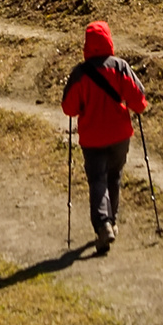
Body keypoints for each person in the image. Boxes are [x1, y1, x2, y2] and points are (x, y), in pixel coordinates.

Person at [59, 19, 148, 254]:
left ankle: (103, 225)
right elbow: (138, 100)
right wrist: (136, 106)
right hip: (120, 135)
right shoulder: (120, 67)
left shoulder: (80, 73)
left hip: (92, 138)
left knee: (97, 180)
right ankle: (112, 221)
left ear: (87, 44)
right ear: (109, 40)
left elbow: (69, 108)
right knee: (114, 177)